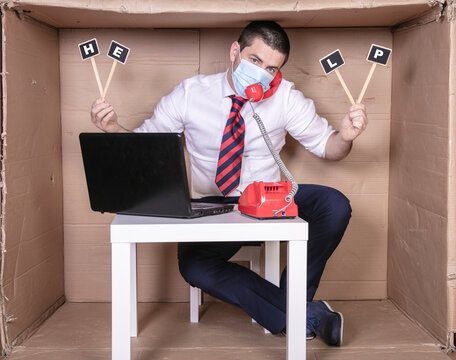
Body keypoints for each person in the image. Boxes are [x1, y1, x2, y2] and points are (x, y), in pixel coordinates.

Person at [90, 21, 367, 347]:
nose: (262, 74)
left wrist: (346, 137)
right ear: (235, 51)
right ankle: (304, 314)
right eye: (255, 61)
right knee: (194, 267)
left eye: (272, 69)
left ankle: (293, 302)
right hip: (213, 207)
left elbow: (328, 147)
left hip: (268, 202)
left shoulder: (286, 98)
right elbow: (142, 147)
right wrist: (112, 128)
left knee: (333, 205)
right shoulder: (191, 93)